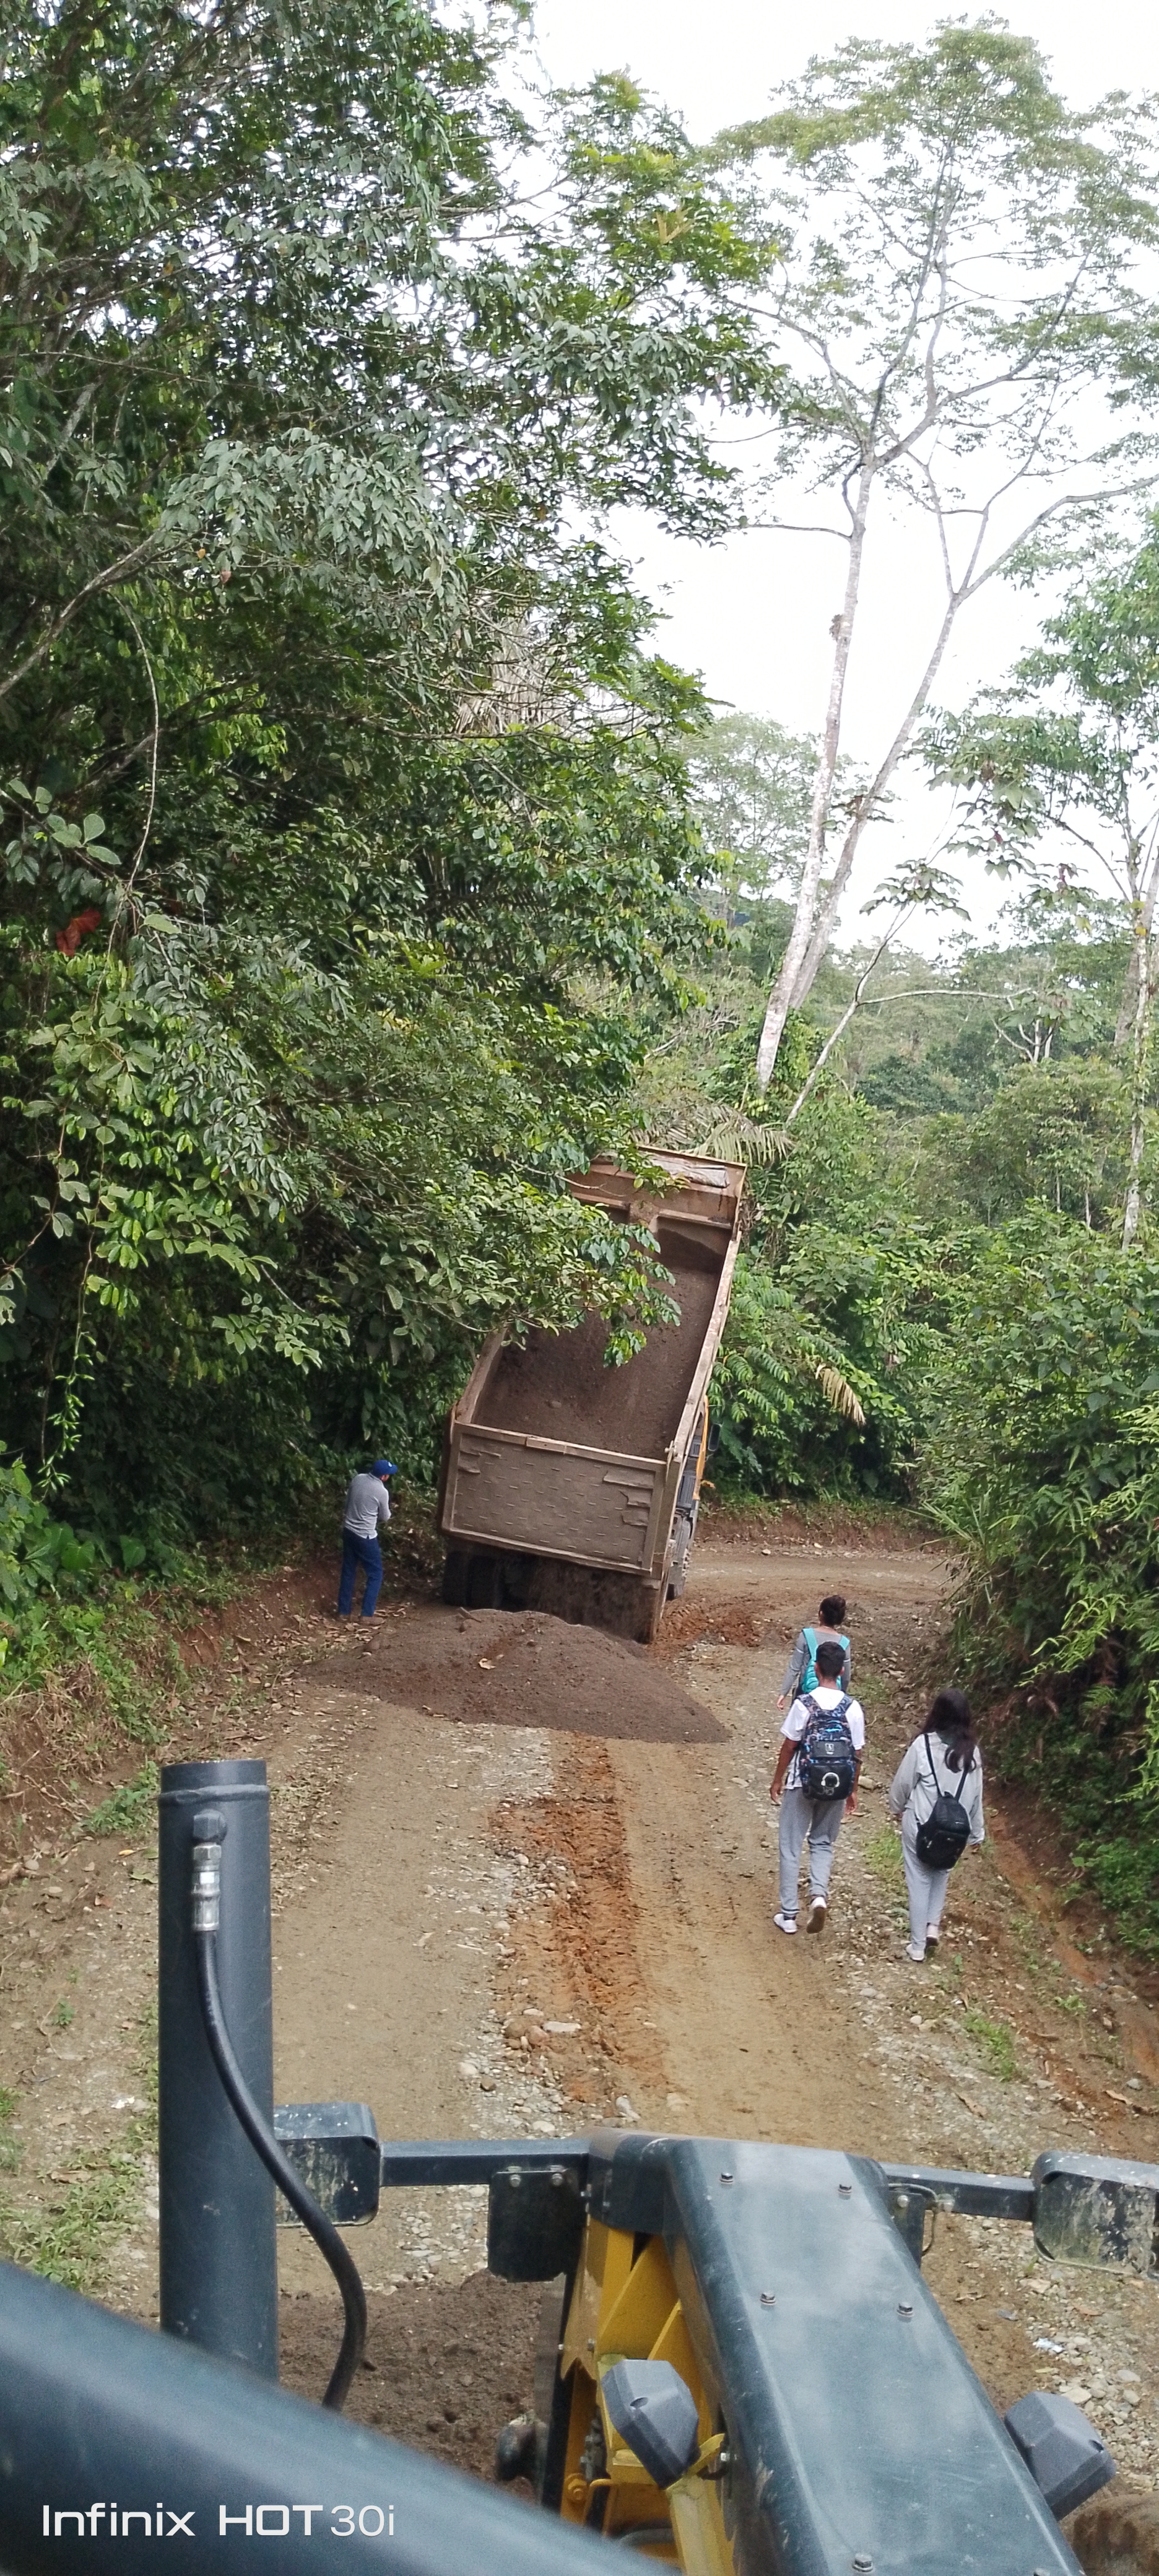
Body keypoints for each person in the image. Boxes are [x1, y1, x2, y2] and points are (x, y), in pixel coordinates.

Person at [770, 1637, 865, 1936]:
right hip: (837, 1784)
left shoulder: (804, 1704)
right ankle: (819, 1896)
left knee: (791, 1844)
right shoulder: (853, 1708)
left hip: (802, 1781)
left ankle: (789, 1915)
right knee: (823, 1842)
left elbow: (789, 1746)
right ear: (841, 1672)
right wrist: (853, 1790)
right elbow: (857, 1753)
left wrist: (778, 1779)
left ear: (816, 1668)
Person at [888, 1687, 984, 1964]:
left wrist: (896, 1807)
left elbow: (903, 1784)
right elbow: (977, 1796)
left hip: (921, 1824)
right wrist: (977, 1834)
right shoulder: (973, 1754)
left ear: (937, 1713)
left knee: (919, 1878)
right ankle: (933, 1926)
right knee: (941, 1872)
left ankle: (918, 1945)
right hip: (956, 1831)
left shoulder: (923, 1746)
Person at [337, 1458, 397, 1619]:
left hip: (348, 1530)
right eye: (389, 1474)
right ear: (383, 1477)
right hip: (365, 1536)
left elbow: (348, 1502)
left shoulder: (358, 1479)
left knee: (348, 1571)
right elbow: (385, 1517)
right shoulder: (382, 1491)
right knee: (376, 1574)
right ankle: (367, 1615)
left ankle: (343, 1612)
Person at [776, 1593, 851, 1712]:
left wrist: (783, 1693)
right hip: (832, 1701)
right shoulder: (844, 1643)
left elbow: (794, 1668)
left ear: (821, 1614)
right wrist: (842, 1695)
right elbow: (846, 1677)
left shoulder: (806, 1636)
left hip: (804, 1695)